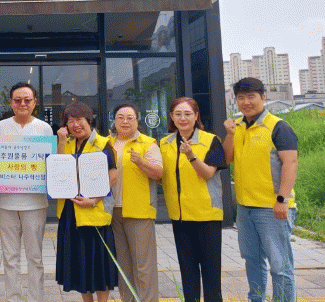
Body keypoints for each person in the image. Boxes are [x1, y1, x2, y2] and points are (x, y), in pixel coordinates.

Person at [222, 78, 298, 302]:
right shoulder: (236, 127)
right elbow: (226, 159)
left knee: (280, 266)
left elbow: (290, 163)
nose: (246, 102)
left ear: (263, 97)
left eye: (251, 97)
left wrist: (282, 199)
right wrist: (229, 134)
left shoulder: (278, 127)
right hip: (245, 208)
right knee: (252, 260)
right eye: (241, 98)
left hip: (272, 208)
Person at [0, 82, 53, 302]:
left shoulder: (44, 129)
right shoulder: (0, 127)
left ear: (35, 103)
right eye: (18, 100)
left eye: (27, 100)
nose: (23, 104)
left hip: (35, 203)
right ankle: (13, 298)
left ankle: (35, 299)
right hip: (5, 202)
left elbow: (51, 165)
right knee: (10, 256)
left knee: (35, 257)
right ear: (11, 103)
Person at [159, 97, 227, 302]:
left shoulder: (211, 140)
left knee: (211, 273)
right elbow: (163, 177)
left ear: (196, 116)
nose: (183, 118)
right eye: (178, 114)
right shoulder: (165, 143)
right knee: (187, 272)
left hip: (207, 216)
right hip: (180, 216)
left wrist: (191, 156)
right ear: (171, 117)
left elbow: (207, 174)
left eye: (188, 114)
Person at [56, 101, 118, 302]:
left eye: (79, 119)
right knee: (79, 265)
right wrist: (61, 141)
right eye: (70, 121)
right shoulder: (68, 143)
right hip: (71, 212)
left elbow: (113, 175)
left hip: (95, 212)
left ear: (89, 120)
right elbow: (60, 169)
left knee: (99, 264)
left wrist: (93, 200)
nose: (75, 125)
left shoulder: (103, 143)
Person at [108, 102, 162, 302]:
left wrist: (141, 162)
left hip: (139, 212)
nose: (125, 121)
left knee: (143, 266)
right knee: (123, 265)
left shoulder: (148, 143)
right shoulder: (107, 143)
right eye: (120, 117)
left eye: (130, 118)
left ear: (137, 121)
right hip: (113, 211)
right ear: (114, 120)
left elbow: (159, 174)